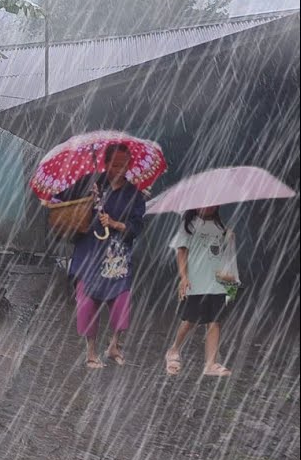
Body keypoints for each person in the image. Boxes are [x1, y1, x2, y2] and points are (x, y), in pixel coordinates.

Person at [61, 143, 147, 369]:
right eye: (114, 164)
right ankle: (91, 352)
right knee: (87, 303)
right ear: (105, 163)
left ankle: (114, 346)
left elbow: (137, 227)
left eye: (124, 164)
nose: (119, 168)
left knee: (121, 301)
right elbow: (62, 200)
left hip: (116, 257)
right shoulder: (90, 184)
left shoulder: (134, 195)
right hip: (88, 254)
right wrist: (83, 202)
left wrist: (115, 224)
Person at [164, 205, 238, 377]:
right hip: (196, 282)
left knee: (215, 321)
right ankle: (174, 350)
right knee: (190, 320)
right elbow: (181, 252)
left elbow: (223, 252)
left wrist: (230, 237)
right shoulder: (188, 225)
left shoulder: (220, 227)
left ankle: (210, 363)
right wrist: (183, 277)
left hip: (218, 281)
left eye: (213, 204)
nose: (209, 207)